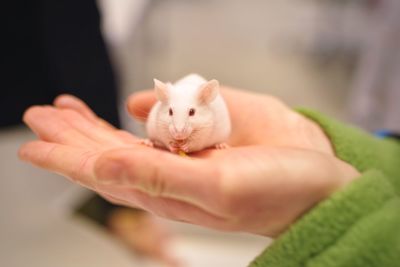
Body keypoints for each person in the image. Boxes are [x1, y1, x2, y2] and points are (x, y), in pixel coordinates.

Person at [19, 86, 399, 267]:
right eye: (171, 117)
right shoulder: (167, 113)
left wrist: (337, 208)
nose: (181, 128)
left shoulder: (213, 117)